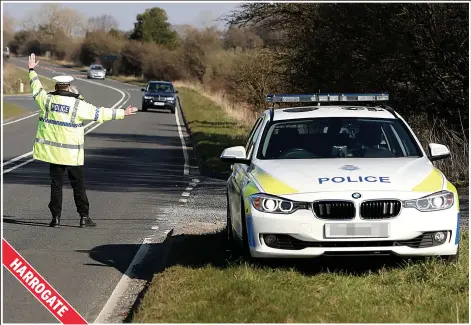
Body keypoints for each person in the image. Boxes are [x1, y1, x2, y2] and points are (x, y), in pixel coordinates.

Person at [27, 53, 138, 228]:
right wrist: (123, 112)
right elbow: (100, 114)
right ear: (69, 87)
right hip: (72, 155)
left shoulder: (47, 100)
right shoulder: (78, 105)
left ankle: (55, 218)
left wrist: (32, 70)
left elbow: (36, 88)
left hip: (53, 154)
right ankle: (83, 217)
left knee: (56, 186)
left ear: (57, 86)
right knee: (78, 185)